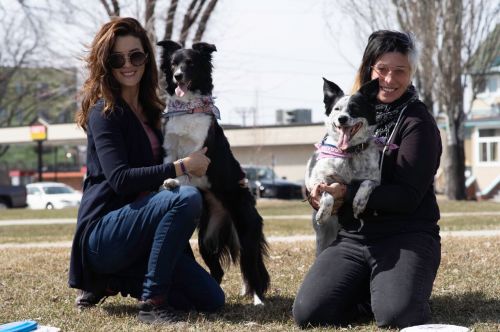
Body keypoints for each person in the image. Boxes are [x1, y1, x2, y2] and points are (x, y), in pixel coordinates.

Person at [69, 17, 224, 324]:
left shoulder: (154, 111)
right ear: (106, 64)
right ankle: (152, 304)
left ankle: (114, 280)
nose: (128, 65)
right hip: (105, 233)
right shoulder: (105, 112)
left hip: (144, 231)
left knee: (211, 300)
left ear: (147, 59)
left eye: (136, 56)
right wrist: (182, 167)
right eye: (117, 59)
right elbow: (121, 180)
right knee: (185, 196)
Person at [293, 30, 442, 328]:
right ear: (369, 71)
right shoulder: (345, 114)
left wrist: (346, 193)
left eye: (400, 71)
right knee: (308, 314)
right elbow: (324, 168)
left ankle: (393, 289)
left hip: (406, 235)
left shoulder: (417, 123)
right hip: (353, 236)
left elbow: (407, 197)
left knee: (396, 315)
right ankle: (368, 289)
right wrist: (318, 195)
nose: (389, 79)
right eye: (382, 69)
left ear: (411, 74)